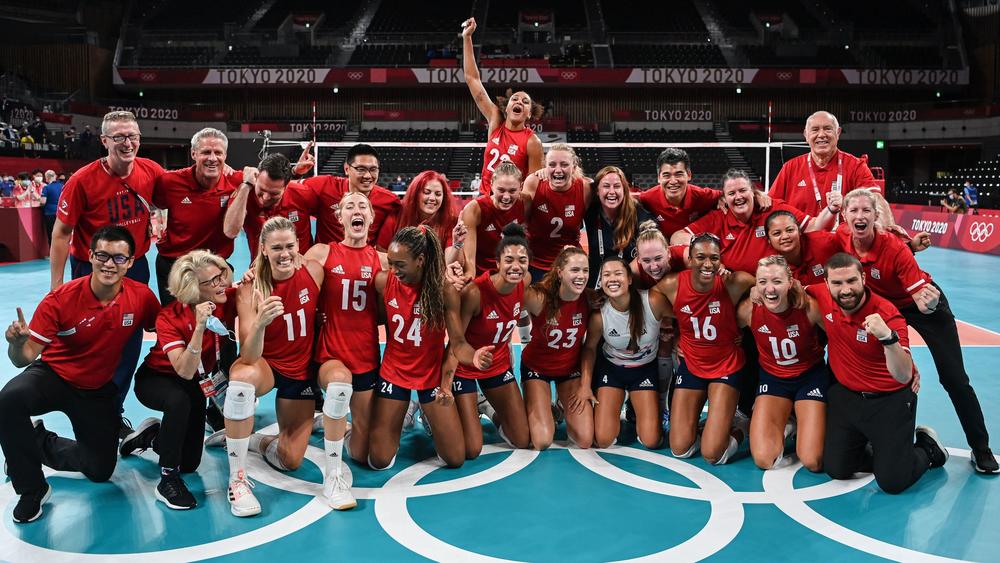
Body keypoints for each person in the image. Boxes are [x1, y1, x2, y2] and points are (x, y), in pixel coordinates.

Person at [0, 226, 159, 523]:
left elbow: (166, 328)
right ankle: (31, 489)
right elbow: (25, 358)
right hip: (54, 375)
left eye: (118, 257)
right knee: (8, 399)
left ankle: (38, 441)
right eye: (102, 255)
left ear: (131, 261)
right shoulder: (62, 299)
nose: (109, 264)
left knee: (99, 471)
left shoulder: (142, 298)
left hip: (97, 389)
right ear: (90, 255)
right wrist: (17, 344)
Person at [838, 188, 997, 473]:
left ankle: (981, 449)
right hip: (883, 309)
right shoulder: (839, 238)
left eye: (866, 211)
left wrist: (929, 304)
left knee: (954, 379)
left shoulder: (895, 247)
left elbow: (920, 298)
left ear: (876, 217)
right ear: (845, 216)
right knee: (878, 371)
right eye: (854, 211)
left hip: (923, 306)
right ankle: (875, 438)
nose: (860, 216)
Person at [50, 111, 165, 432]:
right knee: (93, 342)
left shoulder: (150, 171)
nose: (127, 143)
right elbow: (61, 233)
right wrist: (57, 286)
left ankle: (111, 413)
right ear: (104, 141)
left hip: (134, 266)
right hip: (93, 270)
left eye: (133, 136)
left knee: (128, 342)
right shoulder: (82, 181)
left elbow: (177, 190)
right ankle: (89, 409)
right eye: (118, 137)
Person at [807, 252, 949, 493]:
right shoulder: (821, 295)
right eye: (837, 283)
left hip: (889, 401)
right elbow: (791, 289)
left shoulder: (888, 314)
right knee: (837, 469)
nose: (845, 290)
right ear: (826, 284)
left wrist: (887, 339)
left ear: (863, 278)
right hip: (847, 397)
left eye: (851, 281)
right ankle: (885, 452)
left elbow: (904, 376)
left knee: (893, 483)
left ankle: (928, 448)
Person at [221, 216, 324, 517]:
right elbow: (249, 355)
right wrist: (262, 322)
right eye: (276, 247)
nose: (284, 253)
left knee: (290, 460)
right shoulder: (250, 288)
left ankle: (253, 440)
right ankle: (237, 479)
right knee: (241, 379)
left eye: (289, 246)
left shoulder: (314, 272)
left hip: (301, 371)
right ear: (263, 249)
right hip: (268, 364)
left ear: (298, 247)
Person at [121, 250, 237, 509]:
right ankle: (167, 479)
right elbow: (184, 370)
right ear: (194, 288)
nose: (222, 284)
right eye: (214, 281)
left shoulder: (225, 299)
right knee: (179, 402)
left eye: (221, 276)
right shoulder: (169, 317)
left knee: (190, 463)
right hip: (158, 379)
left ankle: (150, 438)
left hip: (194, 382)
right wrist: (199, 326)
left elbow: (254, 288)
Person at [303, 192, 387, 509]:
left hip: (366, 357)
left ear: (371, 217)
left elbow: (385, 311)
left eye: (362, 206)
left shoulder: (382, 261)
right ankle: (333, 478)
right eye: (349, 206)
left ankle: (332, 423)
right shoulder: (322, 252)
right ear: (339, 218)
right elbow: (289, 280)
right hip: (331, 354)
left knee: (366, 454)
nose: (356, 210)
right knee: (339, 387)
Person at [369, 226, 466, 469]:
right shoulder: (383, 282)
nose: (393, 270)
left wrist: (445, 385)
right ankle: (407, 410)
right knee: (379, 460)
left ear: (420, 260)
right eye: (390, 262)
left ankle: (426, 411)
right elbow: (380, 320)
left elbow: (456, 345)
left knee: (455, 459)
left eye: (400, 264)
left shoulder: (444, 291)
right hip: (394, 371)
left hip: (431, 374)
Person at [654, 233, 756, 464]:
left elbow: (760, 287)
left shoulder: (734, 282)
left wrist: (741, 326)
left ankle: (741, 425)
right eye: (700, 257)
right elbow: (653, 301)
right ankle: (709, 426)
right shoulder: (671, 285)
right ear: (689, 258)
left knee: (714, 454)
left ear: (721, 261)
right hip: (692, 363)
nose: (708, 264)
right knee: (680, 448)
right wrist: (676, 331)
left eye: (714, 258)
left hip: (726, 365)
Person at [448, 224, 532, 457]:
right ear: (497, 263)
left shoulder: (524, 283)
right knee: (471, 449)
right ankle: (436, 416)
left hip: (497, 366)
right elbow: (455, 343)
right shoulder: (474, 293)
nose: (516, 266)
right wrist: (445, 383)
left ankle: (486, 406)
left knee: (522, 438)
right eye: (509, 260)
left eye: (522, 260)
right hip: (465, 368)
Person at [737, 255, 827, 471]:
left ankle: (803, 416)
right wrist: (678, 341)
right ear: (755, 285)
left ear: (790, 282)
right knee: (764, 459)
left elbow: (842, 337)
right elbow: (726, 335)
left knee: (813, 461)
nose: (770, 289)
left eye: (777, 281)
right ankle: (790, 422)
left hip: (809, 378)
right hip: (773, 380)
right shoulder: (748, 311)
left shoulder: (809, 307)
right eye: (762, 282)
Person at [673, 169, 839, 275]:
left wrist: (831, 209)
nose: (738, 197)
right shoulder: (717, 217)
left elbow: (815, 226)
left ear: (753, 192)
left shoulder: (773, 208)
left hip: (777, 284)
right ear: (723, 197)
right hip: (736, 290)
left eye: (743, 190)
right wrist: (709, 254)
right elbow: (677, 237)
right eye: (731, 193)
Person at [581, 256, 670, 450]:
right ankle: (614, 407)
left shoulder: (653, 301)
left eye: (618, 273)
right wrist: (585, 385)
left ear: (629, 279)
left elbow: (682, 316)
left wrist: (677, 338)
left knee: (651, 440)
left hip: (644, 371)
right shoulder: (599, 314)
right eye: (606, 275)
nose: (612, 279)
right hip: (612, 370)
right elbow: (589, 348)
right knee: (603, 440)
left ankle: (635, 408)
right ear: (601, 281)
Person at [153, 127, 242, 305]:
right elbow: (152, 199)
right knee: (177, 325)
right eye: (206, 152)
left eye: (218, 153)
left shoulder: (238, 182)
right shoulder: (170, 182)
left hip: (215, 266)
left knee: (217, 325)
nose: (212, 158)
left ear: (225, 155)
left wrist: (295, 173)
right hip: (174, 264)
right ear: (193, 154)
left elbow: (270, 184)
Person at [520, 247, 595, 449]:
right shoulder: (539, 297)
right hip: (537, 369)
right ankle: (542, 406)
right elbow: (511, 298)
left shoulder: (590, 299)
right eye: (575, 270)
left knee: (585, 440)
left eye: (585, 271)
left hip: (570, 371)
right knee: (542, 441)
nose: (581, 276)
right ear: (560, 272)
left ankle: (560, 406)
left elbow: (590, 348)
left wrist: (586, 385)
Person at [462, 17, 543, 196]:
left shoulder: (532, 142)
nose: (519, 102)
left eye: (525, 102)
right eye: (515, 99)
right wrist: (467, 38)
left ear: (529, 114)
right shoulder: (495, 121)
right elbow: (471, 78)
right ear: (506, 108)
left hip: (511, 204)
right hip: (485, 200)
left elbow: (533, 188)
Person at [769, 111, 877, 218]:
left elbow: (876, 202)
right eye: (815, 130)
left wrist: (846, 203)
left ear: (838, 133)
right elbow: (771, 204)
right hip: (801, 234)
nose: (821, 135)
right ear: (806, 135)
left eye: (827, 129)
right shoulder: (790, 168)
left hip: (842, 235)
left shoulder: (856, 166)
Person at [295, 143, 401, 245]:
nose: (368, 175)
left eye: (373, 169)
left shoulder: (389, 201)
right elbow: (288, 189)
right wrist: (296, 173)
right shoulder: (325, 186)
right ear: (346, 169)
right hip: (326, 260)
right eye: (361, 169)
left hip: (364, 261)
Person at [223, 153, 317, 263]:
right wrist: (246, 185)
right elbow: (230, 232)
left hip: (300, 272)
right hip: (261, 272)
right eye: (262, 190)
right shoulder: (245, 194)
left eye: (274, 193)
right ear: (256, 177)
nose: (265, 198)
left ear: (286, 186)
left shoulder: (303, 195)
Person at [522, 143, 593, 282]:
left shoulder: (585, 188)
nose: (558, 170)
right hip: (535, 264)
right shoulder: (534, 183)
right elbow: (520, 219)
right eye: (552, 164)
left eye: (564, 164)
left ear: (574, 167)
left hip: (569, 264)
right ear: (545, 166)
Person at [584, 166, 653, 289]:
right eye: (606, 186)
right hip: (594, 289)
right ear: (597, 191)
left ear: (624, 190)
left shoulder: (638, 213)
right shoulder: (589, 213)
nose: (612, 192)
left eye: (616, 186)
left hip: (628, 286)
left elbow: (654, 241)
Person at [376, 170, 463, 266]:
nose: (432, 198)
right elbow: (381, 253)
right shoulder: (396, 216)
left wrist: (457, 244)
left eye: (438, 194)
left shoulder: (450, 222)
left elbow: (451, 264)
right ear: (415, 194)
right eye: (426, 192)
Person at [461, 161, 528, 278]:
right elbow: (469, 259)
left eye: (512, 191)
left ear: (521, 187)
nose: (506, 197)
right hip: (482, 274)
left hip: (513, 272)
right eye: (501, 190)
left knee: (527, 278)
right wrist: (470, 278)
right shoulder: (474, 209)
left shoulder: (526, 202)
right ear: (491, 185)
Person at [638, 148, 721, 238]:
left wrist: (723, 199)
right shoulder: (646, 198)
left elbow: (728, 195)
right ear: (659, 178)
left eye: (678, 174)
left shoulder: (702, 195)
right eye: (666, 175)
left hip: (691, 248)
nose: (673, 181)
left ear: (689, 175)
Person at [39, 170, 63, 244]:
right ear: (55, 176)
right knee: (61, 234)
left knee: (51, 235)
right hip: (61, 213)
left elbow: (43, 202)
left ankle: (52, 254)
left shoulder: (46, 188)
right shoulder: (62, 186)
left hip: (50, 214)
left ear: (46, 178)